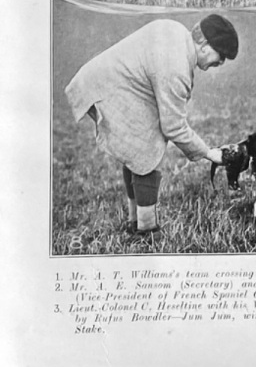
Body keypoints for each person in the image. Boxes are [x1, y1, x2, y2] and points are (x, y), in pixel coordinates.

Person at [65, 15, 236, 238]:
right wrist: (208, 153)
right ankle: (147, 231)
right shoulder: (177, 68)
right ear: (204, 45)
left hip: (104, 79)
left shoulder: (175, 30)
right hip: (111, 88)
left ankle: (134, 220)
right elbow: (174, 126)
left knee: (137, 148)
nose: (220, 63)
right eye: (220, 55)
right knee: (147, 150)